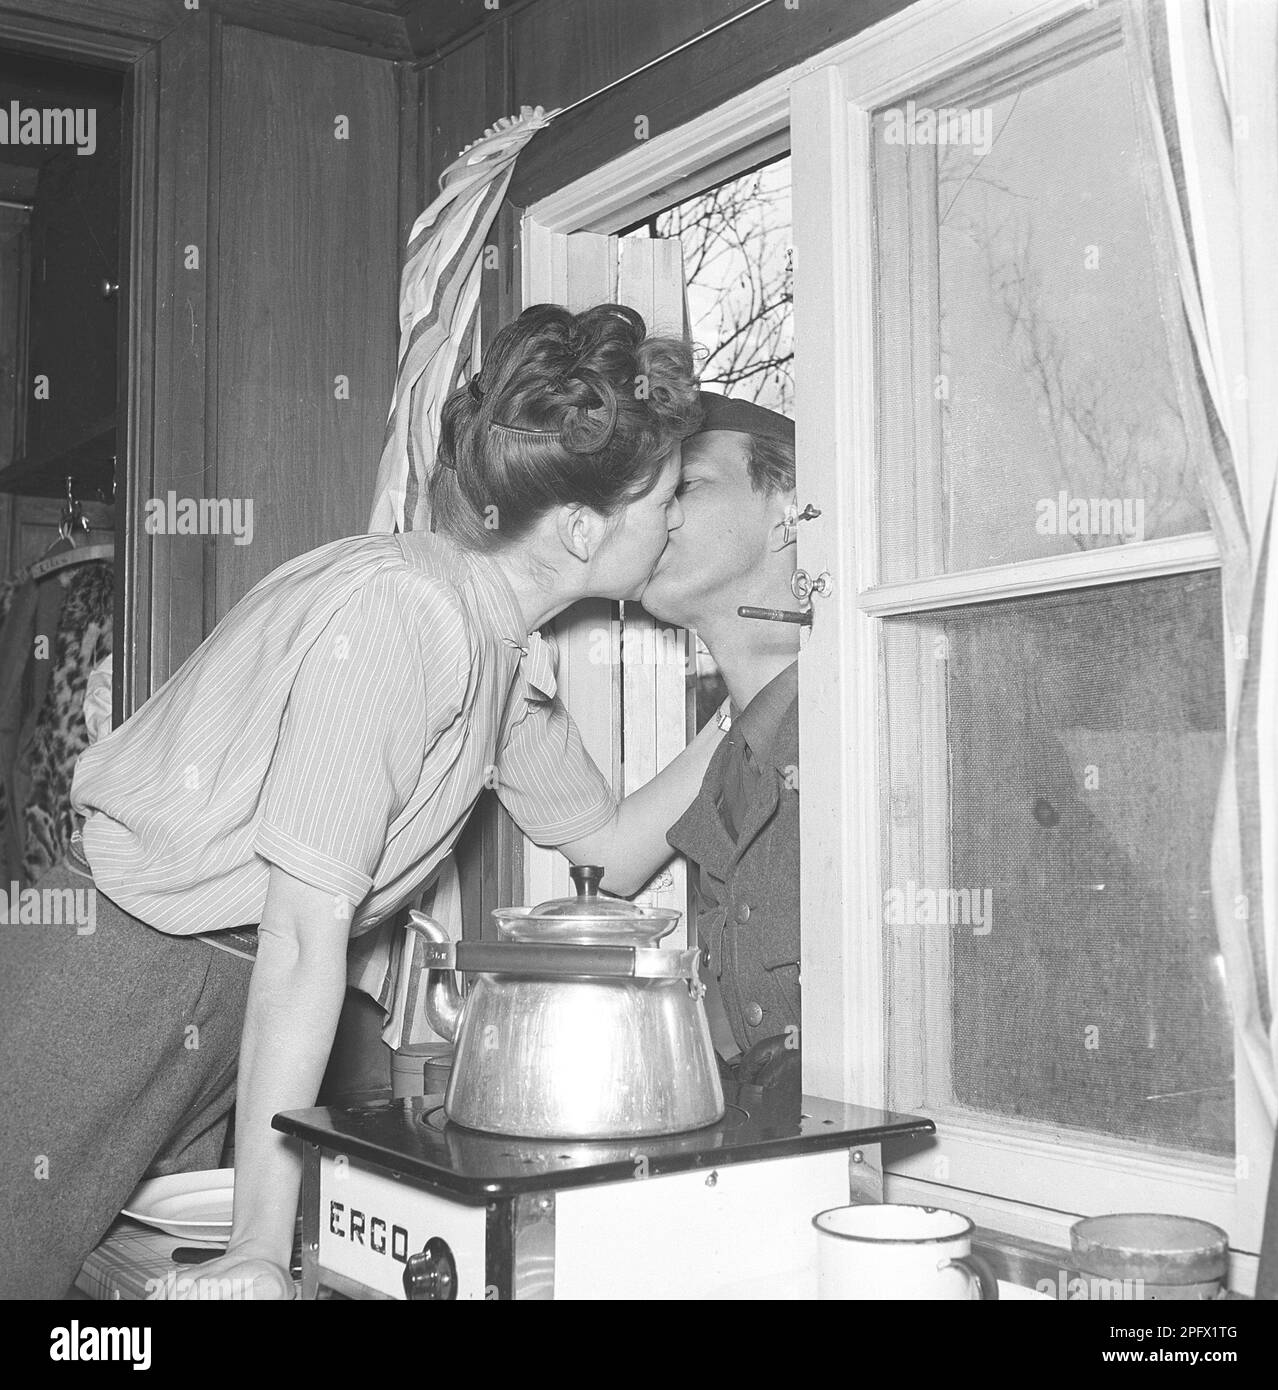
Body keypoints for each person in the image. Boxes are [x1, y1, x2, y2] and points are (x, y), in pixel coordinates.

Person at [0, 304, 721, 1300]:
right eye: (669, 495)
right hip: (113, 979)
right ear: (584, 525)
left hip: (232, 1006)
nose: (679, 516)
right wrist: (258, 1245)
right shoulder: (406, 616)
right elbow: (304, 937)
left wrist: (756, 706)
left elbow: (611, 845)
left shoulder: (503, 651)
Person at [640, 393, 802, 1090]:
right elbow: (600, 852)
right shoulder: (731, 759)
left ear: (789, 511)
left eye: (686, 486)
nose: (655, 512)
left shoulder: (882, 728)